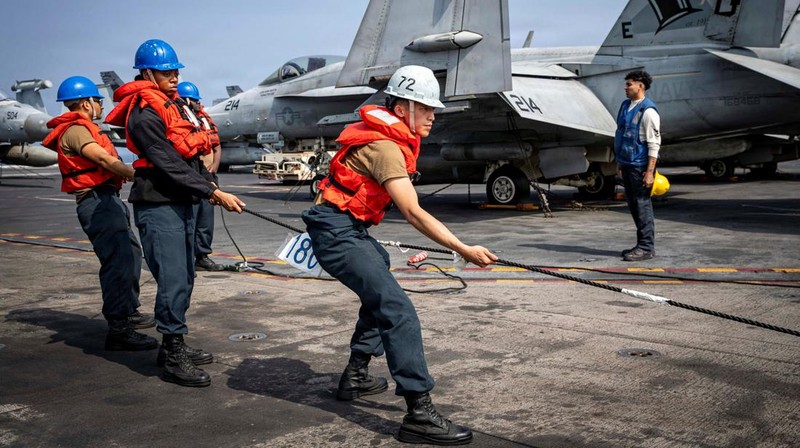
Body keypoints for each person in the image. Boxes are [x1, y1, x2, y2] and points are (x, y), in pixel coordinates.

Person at [302, 65, 497, 446]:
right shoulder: (386, 147)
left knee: (381, 273)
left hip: (345, 229)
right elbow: (413, 212)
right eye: (425, 108)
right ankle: (419, 414)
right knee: (399, 311)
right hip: (337, 233)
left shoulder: (387, 139)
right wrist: (463, 249)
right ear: (403, 107)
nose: (432, 116)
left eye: (433, 109)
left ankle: (356, 374)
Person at [105, 39, 245, 387]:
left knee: (185, 275)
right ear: (146, 73)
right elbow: (166, 162)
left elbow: (192, 156)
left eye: (176, 71)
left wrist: (208, 186)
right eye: (166, 72)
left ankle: (173, 342)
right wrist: (212, 191)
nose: (174, 77)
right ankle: (172, 354)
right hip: (158, 203)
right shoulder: (144, 114)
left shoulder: (177, 107)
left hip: (182, 200)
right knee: (172, 278)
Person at [42, 76, 158, 351]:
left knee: (130, 255)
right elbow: (104, 159)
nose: (102, 106)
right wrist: (140, 176)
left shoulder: (85, 128)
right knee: (118, 261)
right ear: (86, 103)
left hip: (106, 199)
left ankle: (128, 310)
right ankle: (118, 329)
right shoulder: (76, 130)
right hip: (97, 203)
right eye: (98, 101)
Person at [614, 70, 661, 262]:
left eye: (629, 84)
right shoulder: (625, 106)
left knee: (642, 206)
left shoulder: (648, 111)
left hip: (640, 167)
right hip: (627, 163)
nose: (625, 88)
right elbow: (621, 134)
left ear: (640, 86)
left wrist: (649, 172)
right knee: (634, 205)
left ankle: (646, 247)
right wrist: (619, 162)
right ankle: (641, 244)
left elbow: (654, 144)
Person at [177, 81, 224, 272]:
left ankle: (202, 256)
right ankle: (187, 260)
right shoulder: (180, 119)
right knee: (190, 220)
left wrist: (213, 169)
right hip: (191, 179)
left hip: (207, 177)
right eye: (195, 101)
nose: (199, 104)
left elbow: (216, 146)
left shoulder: (204, 120)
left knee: (206, 220)